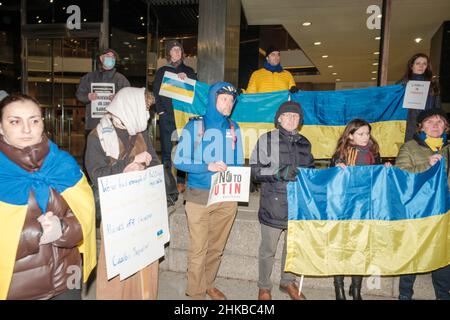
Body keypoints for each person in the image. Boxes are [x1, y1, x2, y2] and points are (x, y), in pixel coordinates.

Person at [0, 94, 96, 300]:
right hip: (17, 289)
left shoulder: (64, 164)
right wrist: (36, 233)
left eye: (34, 120)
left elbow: (85, 219)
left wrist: (62, 229)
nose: (27, 129)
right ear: (1, 127)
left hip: (67, 281)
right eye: (15, 121)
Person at [85, 87, 160, 300]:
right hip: (116, 215)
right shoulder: (97, 136)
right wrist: (127, 166)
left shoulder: (140, 132)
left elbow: (154, 162)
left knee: (145, 266)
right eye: (144, 109)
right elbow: (97, 175)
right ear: (129, 107)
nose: (147, 115)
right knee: (116, 272)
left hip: (143, 210)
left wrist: (143, 168)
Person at [173, 82, 244, 300]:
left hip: (227, 196)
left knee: (216, 248)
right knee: (198, 250)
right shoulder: (195, 127)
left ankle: (209, 284)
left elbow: (239, 162)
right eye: (224, 98)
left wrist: (239, 178)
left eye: (232, 100)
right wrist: (207, 166)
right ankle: (195, 295)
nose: (229, 103)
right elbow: (179, 160)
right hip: (199, 196)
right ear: (213, 99)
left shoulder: (235, 128)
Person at [250, 101, 313, 300]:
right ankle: (264, 286)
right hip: (274, 203)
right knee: (268, 249)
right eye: (287, 115)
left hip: (297, 205)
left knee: (291, 248)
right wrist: (280, 172)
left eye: (296, 116)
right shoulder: (267, 139)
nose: (292, 119)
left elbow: (310, 171)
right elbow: (255, 170)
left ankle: (287, 282)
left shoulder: (305, 143)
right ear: (279, 118)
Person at [330, 118, 391, 300]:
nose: (366, 137)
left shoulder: (374, 154)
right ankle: (338, 287)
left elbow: (378, 181)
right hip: (344, 209)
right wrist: (336, 169)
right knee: (341, 247)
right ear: (350, 136)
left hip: (366, 208)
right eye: (361, 134)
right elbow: (330, 184)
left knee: (362, 247)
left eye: (367, 133)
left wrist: (385, 169)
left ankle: (355, 288)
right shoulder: (340, 155)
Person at [395, 108, 450, 300]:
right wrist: (426, 164)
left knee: (443, 254)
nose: (435, 126)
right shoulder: (410, 147)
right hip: (418, 210)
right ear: (421, 126)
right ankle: (404, 295)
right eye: (430, 122)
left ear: (446, 126)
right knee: (413, 253)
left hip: (445, 212)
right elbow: (401, 175)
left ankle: (443, 295)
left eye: (440, 122)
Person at [153, 40, 197, 197]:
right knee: (165, 150)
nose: (177, 52)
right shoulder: (162, 71)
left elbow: (194, 92)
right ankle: (167, 182)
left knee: (183, 150)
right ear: (169, 53)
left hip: (183, 117)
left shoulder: (190, 71)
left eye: (179, 49)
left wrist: (188, 79)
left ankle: (180, 181)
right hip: (167, 117)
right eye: (174, 50)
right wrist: (161, 112)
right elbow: (156, 93)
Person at [76, 48, 131, 137]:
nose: (111, 59)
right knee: (93, 149)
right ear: (101, 58)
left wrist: (118, 98)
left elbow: (129, 97)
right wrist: (88, 96)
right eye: (108, 56)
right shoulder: (89, 77)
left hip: (115, 124)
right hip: (93, 124)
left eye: (113, 57)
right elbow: (79, 94)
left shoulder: (121, 79)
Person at [399, 53, 441, 141]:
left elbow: (438, 108)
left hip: (428, 125)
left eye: (424, 64)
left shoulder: (433, 85)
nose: (421, 66)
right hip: (408, 125)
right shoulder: (402, 84)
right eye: (418, 63)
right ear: (411, 66)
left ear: (427, 67)